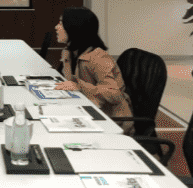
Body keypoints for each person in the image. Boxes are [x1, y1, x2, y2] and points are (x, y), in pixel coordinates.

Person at [54, 7, 135, 135]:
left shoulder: (98, 57)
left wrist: (79, 86)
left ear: (74, 28)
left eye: (61, 23)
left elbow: (113, 94)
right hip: (89, 110)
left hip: (111, 120)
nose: (56, 27)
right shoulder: (70, 53)